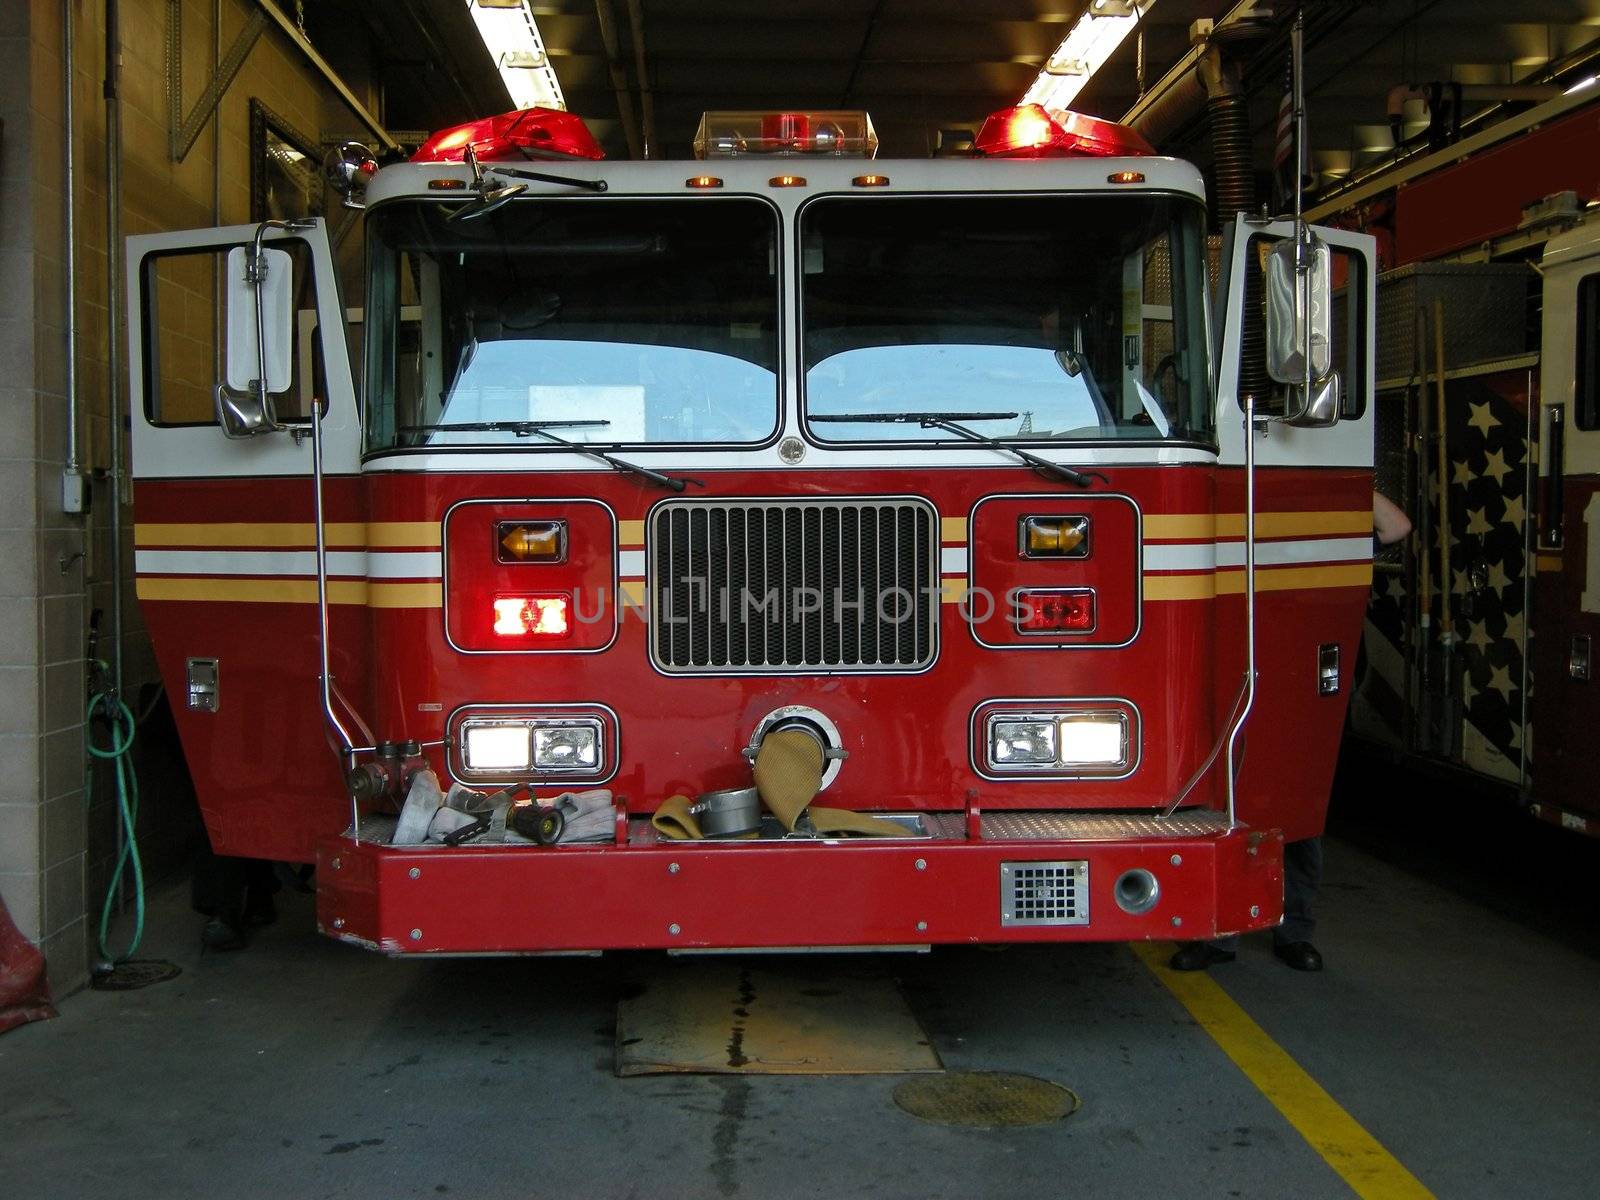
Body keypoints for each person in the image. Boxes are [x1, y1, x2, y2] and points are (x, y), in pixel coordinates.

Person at [1170, 490, 1411, 973]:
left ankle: (1294, 930)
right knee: (1227, 808)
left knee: (1298, 817)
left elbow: (1395, 527)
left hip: (1301, 685)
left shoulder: (1329, 519)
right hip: (1237, 679)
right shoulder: (1229, 513)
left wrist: (1347, 481)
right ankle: (1220, 936)